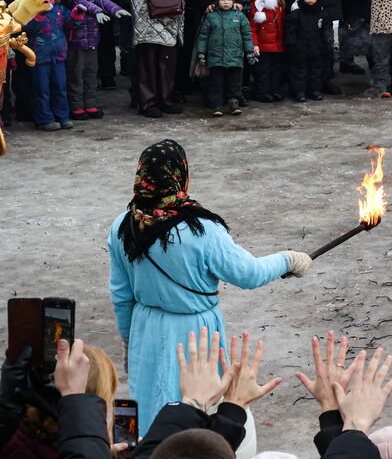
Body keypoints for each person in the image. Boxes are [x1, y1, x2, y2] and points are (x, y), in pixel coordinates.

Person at [107, 140, 313, 434]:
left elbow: (121, 295)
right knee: (198, 411)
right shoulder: (202, 230)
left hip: (146, 329)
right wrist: (288, 260)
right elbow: (248, 273)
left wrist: (129, 341)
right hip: (194, 335)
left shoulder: (122, 226)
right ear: (180, 175)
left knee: (150, 413)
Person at [62, 0, 126, 120]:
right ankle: (76, 107)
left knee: (91, 74)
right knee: (76, 76)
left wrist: (116, 9)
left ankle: (90, 105)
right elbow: (83, 4)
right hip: (76, 44)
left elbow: (102, 1)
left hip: (92, 43)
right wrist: (97, 11)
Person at [22, 0, 72, 131]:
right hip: (39, 56)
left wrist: (76, 16)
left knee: (60, 86)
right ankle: (44, 118)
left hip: (58, 54)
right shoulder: (28, 11)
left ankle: (62, 116)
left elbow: (69, 23)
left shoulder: (58, 8)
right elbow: (28, 29)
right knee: (42, 88)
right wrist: (39, 15)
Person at [195, 0, 255, 116]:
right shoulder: (211, 17)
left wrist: (249, 51)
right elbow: (203, 36)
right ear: (217, 1)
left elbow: (247, 35)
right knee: (216, 82)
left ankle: (233, 102)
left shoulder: (239, 17)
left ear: (233, 0)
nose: (226, 2)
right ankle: (217, 104)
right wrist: (201, 53)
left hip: (235, 58)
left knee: (234, 82)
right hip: (216, 57)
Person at [284, 0, 331, 102]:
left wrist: (326, 45)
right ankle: (300, 92)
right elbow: (291, 31)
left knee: (316, 71)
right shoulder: (296, 14)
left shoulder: (322, 15)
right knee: (300, 72)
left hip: (316, 48)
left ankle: (315, 90)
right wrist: (292, 45)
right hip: (300, 49)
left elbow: (325, 32)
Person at [250, 0, 286, 102]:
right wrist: (255, 44)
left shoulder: (279, 3)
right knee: (263, 71)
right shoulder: (257, 4)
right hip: (263, 46)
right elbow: (252, 26)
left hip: (277, 44)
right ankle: (263, 92)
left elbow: (281, 25)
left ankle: (275, 90)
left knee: (276, 70)